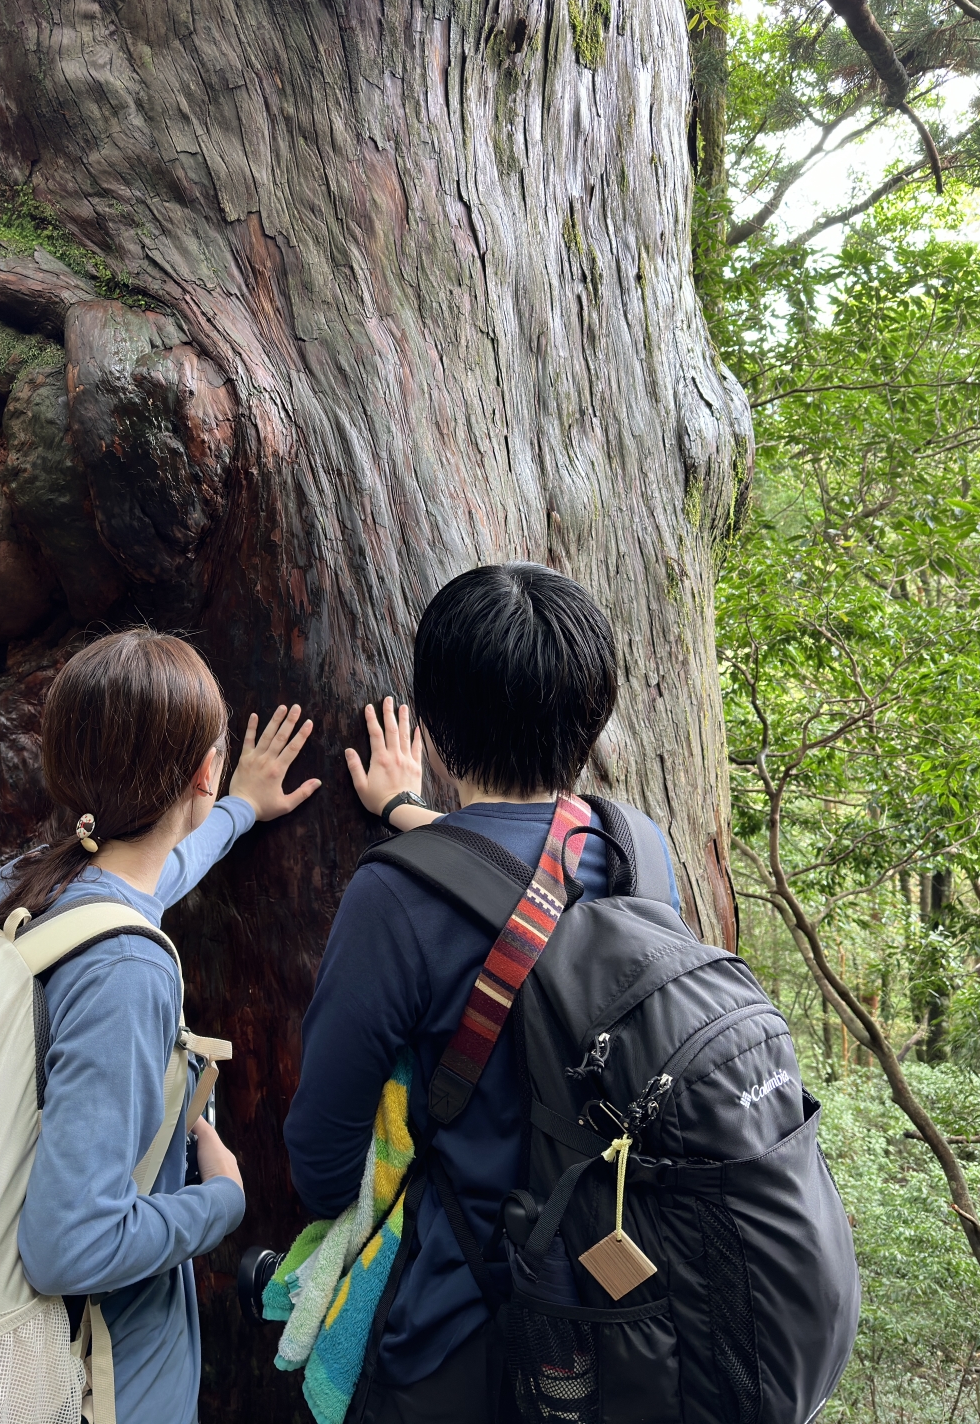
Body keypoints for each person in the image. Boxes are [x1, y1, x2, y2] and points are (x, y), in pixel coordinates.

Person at [285, 563, 684, 1423]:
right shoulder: (641, 853)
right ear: (593, 716)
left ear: (430, 729)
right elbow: (532, 880)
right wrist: (408, 813)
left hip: (463, 1342)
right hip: (628, 1316)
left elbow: (322, 1159)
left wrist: (405, 821)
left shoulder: (394, 900)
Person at [0, 628, 322, 1424]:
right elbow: (69, 1245)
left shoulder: (25, 885)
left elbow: (152, 873)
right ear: (203, 771)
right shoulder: (128, 971)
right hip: (104, 1380)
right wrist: (222, 1205)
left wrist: (239, 810)